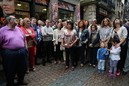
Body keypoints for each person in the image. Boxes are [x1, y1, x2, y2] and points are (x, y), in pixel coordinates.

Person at [0, 15, 28, 86]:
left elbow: (24, 38)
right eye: (14, 19)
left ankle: (20, 80)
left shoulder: (18, 28)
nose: (17, 20)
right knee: (10, 70)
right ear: (9, 21)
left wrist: (25, 48)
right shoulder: (2, 30)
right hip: (9, 53)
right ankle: (10, 83)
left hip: (21, 52)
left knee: (23, 68)